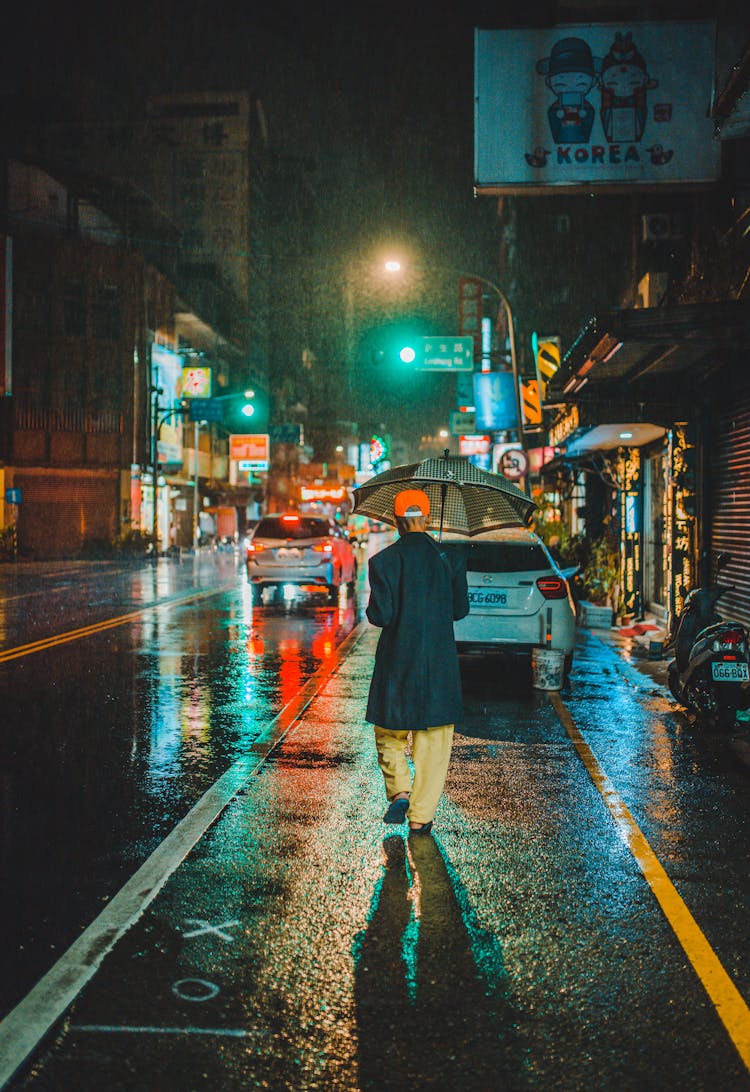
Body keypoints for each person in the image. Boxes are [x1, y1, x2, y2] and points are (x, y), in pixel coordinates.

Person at [365, 489, 469, 835]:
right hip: (438, 665)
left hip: (397, 662)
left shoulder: (383, 562)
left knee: (389, 733)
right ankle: (421, 817)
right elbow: (459, 610)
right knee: (434, 744)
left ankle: (399, 790)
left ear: (395, 522)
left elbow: (380, 616)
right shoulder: (449, 559)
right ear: (427, 518)